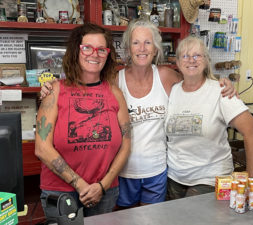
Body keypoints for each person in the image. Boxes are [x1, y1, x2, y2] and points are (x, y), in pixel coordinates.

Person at [40, 19, 237, 208]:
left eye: (147, 43)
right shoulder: (115, 81)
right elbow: (87, 84)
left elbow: (194, 81)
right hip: (122, 172)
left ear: (155, 49)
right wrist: (51, 87)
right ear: (128, 48)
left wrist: (219, 83)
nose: (142, 48)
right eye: (136, 43)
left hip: (158, 171)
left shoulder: (167, 77)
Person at [35, 23, 131, 219]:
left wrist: (102, 186)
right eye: (87, 48)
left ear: (107, 54)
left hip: (104, 192)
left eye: (101, 49)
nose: (94, 54)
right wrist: (82, 185)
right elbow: (42, 148)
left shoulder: (115, 92)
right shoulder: (54, 91)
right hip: (61, 192)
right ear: (75, 51)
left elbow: (126, 144)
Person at [165, 36, 253, 200]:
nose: (191, 60)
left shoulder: (220, 91)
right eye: (185, 56)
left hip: (211, 178)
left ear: (206, 61)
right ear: (178, 63)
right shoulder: (172, 91)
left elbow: (251, 131)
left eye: (197, 55)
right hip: (175, 178)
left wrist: (251, 179)